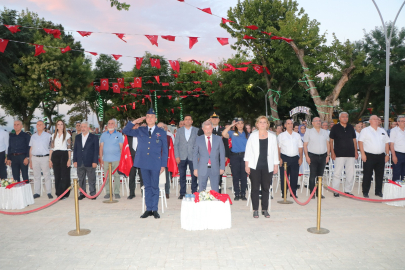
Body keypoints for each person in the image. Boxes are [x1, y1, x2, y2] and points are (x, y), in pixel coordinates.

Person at [122, 108, 168, 219]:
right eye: (147, 116)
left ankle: (155, 209)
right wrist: (135, 121)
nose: (150, 118)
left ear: (156, 119)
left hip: (156, 163)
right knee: (147, 186)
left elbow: (165, 150)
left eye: (152, 116)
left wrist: (163, 165)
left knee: (154, 186)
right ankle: (148, 209)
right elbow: (125, 131)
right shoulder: (140, 130)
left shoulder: (161, 132)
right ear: (145, 119)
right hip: (143, 163)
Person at [244, 116, 279, 218]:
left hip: (267, 166)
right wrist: (247, 165)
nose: (263, 124)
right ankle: (255, 210)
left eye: (264, 122)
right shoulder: (252, 136)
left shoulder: (272, 137)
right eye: (260, 122)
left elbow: (275, 152)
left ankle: (265, 209)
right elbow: (248, 151)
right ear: (257, 124)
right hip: (254, 166)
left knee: (266, 188)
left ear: (267, 124)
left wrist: (275, 165)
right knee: (255, 188)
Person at [359, 115, 390, 198]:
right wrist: (363, 154)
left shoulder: (382, 130)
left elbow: (387, 143)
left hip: (381, 156)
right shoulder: (365, 130)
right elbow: (360, 142)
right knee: (367, 174)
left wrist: (387, 154)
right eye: (374, 119)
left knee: (380, 175)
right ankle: (365, 192)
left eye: (377, 119)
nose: (376, 121)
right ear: (370, 121)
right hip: (369, 155)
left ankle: (378, 191)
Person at [198, 112, 229, 193]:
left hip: (217, 158)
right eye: (212, 118)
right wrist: (206, 122)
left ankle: (217, 194)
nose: (214, 119)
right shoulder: (204, 130)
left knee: (217, 179)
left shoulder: (222, 130)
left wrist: (226, 155)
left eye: (216, 118)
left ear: (219, 120)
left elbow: (226, 143)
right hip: (205, 160)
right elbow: (199, 134)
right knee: (203, 182)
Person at [329, 112, 358, 197]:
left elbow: (354, 140)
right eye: (343, 117)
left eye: (346, 117)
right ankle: (336, 191)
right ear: (339, 118)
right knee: (337, 173)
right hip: (339, 154)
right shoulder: (335, 127)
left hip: (350, 154)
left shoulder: (350, 127)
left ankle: (347, 190)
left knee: (350, 173)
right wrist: (332, 152)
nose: (345, 118)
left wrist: (355, 151)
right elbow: (331, 141)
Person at [193, 120, 225, 192]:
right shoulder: (198, 139)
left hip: (215, 168)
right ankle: (201, 203)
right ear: (203, 129)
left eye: (210, 129)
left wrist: (222, 167)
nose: (208, 131)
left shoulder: (218, 139)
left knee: (215, 189)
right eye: (206, 129)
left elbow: (222, 154)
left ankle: (215, 202)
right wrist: (195, 169)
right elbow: (194, 155)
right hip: (202, 168)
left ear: (212, 128)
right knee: (201, 189)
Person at [222, 117, 249, 200]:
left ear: (244, 124)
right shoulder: (232, 132)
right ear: (236, 125)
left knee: (244, 176)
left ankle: (243, 193)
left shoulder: (247, 134)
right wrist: (231, 125)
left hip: (245, 156)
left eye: (241, 123)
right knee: (236, 176)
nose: (240, 125)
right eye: (238, 123)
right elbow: (223, 134)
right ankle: (236, 193)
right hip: (234, 156)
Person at [303, 117, 330, 199]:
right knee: (312, 175)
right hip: (312, 156)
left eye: (319, 121)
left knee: (320, 176)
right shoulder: (309, 132)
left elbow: (328, 144)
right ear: (312, 123)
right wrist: (307, 156)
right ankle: (312, 193)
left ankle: (319, 193)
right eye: (316, 121)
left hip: (323, 156)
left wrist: (328, 155)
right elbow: (305, 145)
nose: (318, 122)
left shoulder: (325, 132)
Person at [174, 115, 199, 199]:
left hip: (194, 156)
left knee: (194, 175)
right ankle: (182, 193)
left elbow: (199, 144)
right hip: (182, 156)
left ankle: (194, 192)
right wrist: (177, 156)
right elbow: (176, 144)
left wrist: (198, 155)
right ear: (184, 121)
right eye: (186, 119)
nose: (187, 121)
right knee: (182, 175)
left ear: (192, 121)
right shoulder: (179, 131)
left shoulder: (197, 130)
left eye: (189, 119)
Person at [73, 122, 99, 200]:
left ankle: (93, 194)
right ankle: (82, 193)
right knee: (81, 179)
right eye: (82, 127)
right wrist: (75, 160)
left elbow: (96, 150)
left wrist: (95, 161)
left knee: (91, 179)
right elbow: (75, 150)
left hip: (90, 162)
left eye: (84, 126)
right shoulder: (77, 137)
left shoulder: (94, 137)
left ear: (88, 128)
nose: (83, 128)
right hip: (80, 161)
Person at [278, 119, 303, 198]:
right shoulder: (281, 135)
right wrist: (279, 158)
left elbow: (300, 147)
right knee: (284, 176)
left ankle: (293, 192)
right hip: (284, 157)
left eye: (291, 123)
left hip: (295, 158)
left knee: (294, 176)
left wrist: (301, 158)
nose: (290, 125)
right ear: (285, 125)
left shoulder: (297, 135)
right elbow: (278, 148)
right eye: (288, 123)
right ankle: (284, 192)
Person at [100, 119, 123, 199]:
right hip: (106, 159)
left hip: (117, 159)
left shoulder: (119, 135)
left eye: (112, 123)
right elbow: (101, 147)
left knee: (117, 176)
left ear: (115, 125)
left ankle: (116, 192)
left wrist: (122, 160)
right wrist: (101, 159)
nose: (110, 125)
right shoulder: (103, 135)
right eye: (109, 123)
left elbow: (121, 148)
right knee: (106, 177)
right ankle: (108, 192)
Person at [29, 121, 52, 199]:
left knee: (47, 175)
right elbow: (31, 148)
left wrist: (50, 160)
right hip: (35, 158)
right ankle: (37, 192)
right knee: (36, 176)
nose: (39, 126)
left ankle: (49, 192)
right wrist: (30, 160)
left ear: (44, 126)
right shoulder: (33, 136)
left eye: (41, 124)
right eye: (37, 124)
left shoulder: (49, 136)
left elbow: (52, 148)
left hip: (45, 158)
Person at [50, 120, 72, 199]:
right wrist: (50, 160)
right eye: (58, 124)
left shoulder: (67, 135)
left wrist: (69, 159)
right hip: (55, 155)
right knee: (57, 175)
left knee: (65, 175)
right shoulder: (53, 136)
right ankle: (59, 193)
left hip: (64, 155)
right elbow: (51, 148)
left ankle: (65, 193)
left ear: (63, 125)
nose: (60, 126)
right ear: (56, 126)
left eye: (61, 124)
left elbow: (69, 149)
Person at [127, 123, 143, 199]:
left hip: (141, 159)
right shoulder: (128, 136)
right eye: (134, 126)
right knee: (132, 176)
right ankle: (132, 193)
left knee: (142, 176)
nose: (136, 127)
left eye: (137, 126)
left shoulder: (142, 135)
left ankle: (143, 193)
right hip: (131, 159)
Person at [158, 122, 173, 199]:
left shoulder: (168, 137)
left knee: (167, 177)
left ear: (165, 128)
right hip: (155, 160)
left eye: (162, 127)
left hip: (165, 159)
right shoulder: (152, 137)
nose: (160, 129)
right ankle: (156, 192)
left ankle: (167, 192)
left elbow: (170, 150)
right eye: (159, 127)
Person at [390, 116, 405, 181]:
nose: (404, 122)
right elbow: (391, 144)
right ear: (398, 122)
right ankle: (395, 190)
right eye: (402, 121)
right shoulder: (394, 131)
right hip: (398, 154)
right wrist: (394, 156)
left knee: (404, 175)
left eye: (404, 121)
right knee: (396, 174)